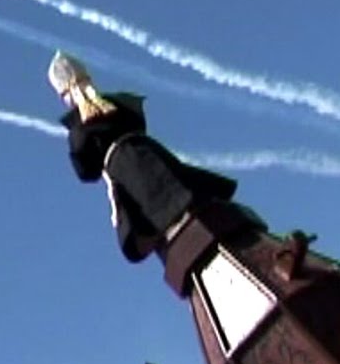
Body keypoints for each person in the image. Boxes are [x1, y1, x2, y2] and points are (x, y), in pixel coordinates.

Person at [47, 50, 239, 263]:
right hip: (152, 155)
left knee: (159, 226)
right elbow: (139, 123)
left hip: (126, 174)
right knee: (184, 197)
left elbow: (86, 171)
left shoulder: (80, 131)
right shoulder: (121, 103)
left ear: (64, 92)